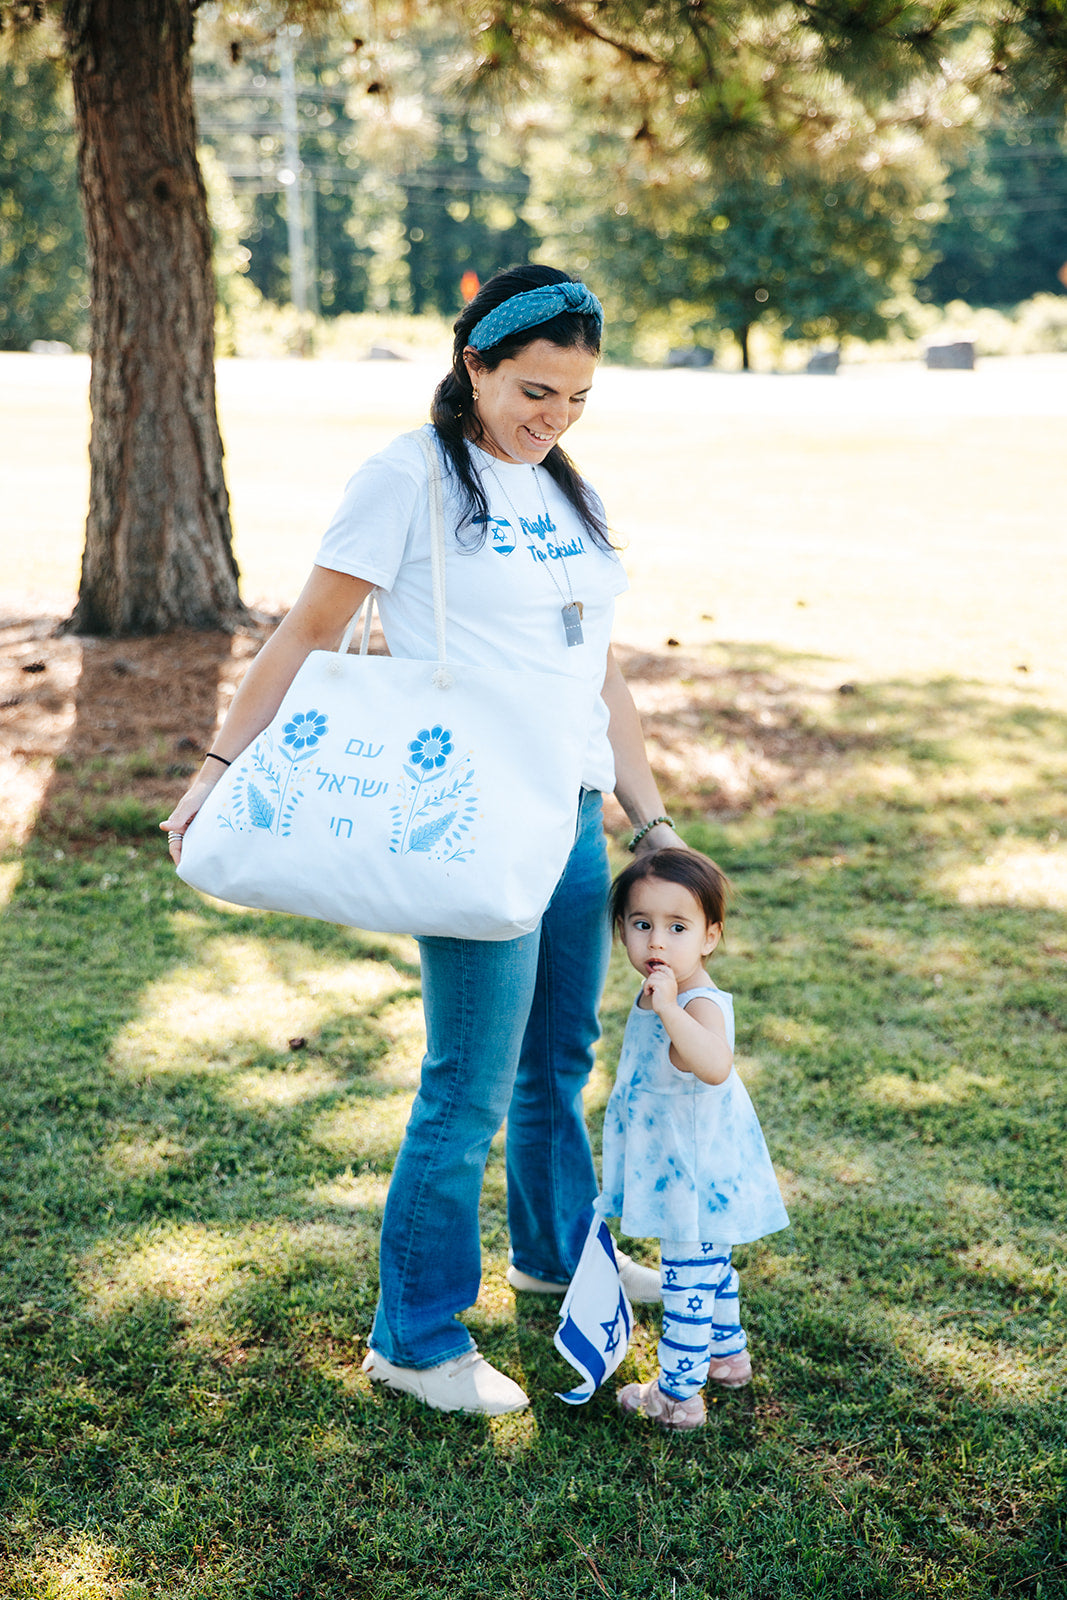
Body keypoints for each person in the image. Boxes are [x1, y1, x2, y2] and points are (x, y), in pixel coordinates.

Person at [162, 264, 683, 1417]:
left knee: (556, 1064)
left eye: (577, 398)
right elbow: (306, 629)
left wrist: (647, 818)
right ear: (476, 365)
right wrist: (217, 766)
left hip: (567, 826)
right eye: (534, 390)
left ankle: (557, 1262)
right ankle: (417, 1334)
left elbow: (596, 669)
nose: (551, 418)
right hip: (469, 831)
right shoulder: (406, 477)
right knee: (466, 1086)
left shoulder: (564, 494)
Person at [602, 848, 789, 1431]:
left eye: (677, 928)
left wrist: (670, 1011)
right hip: (675, 1162)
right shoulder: (660, 990)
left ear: (710, 937)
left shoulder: (696, 1001)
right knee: (712, 1268)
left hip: (697, 1172)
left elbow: (711, 1064)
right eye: (642, 925)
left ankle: (678, 1396)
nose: (657, 941)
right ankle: (728, 1358)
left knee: (688, 1277)